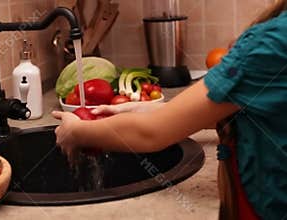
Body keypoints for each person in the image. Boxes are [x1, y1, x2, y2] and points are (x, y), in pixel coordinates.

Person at [52, 1, 287, 219]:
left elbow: (152, 133)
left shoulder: (271, 42)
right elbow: (258, 108)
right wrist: (153, 111)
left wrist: (76, 132)